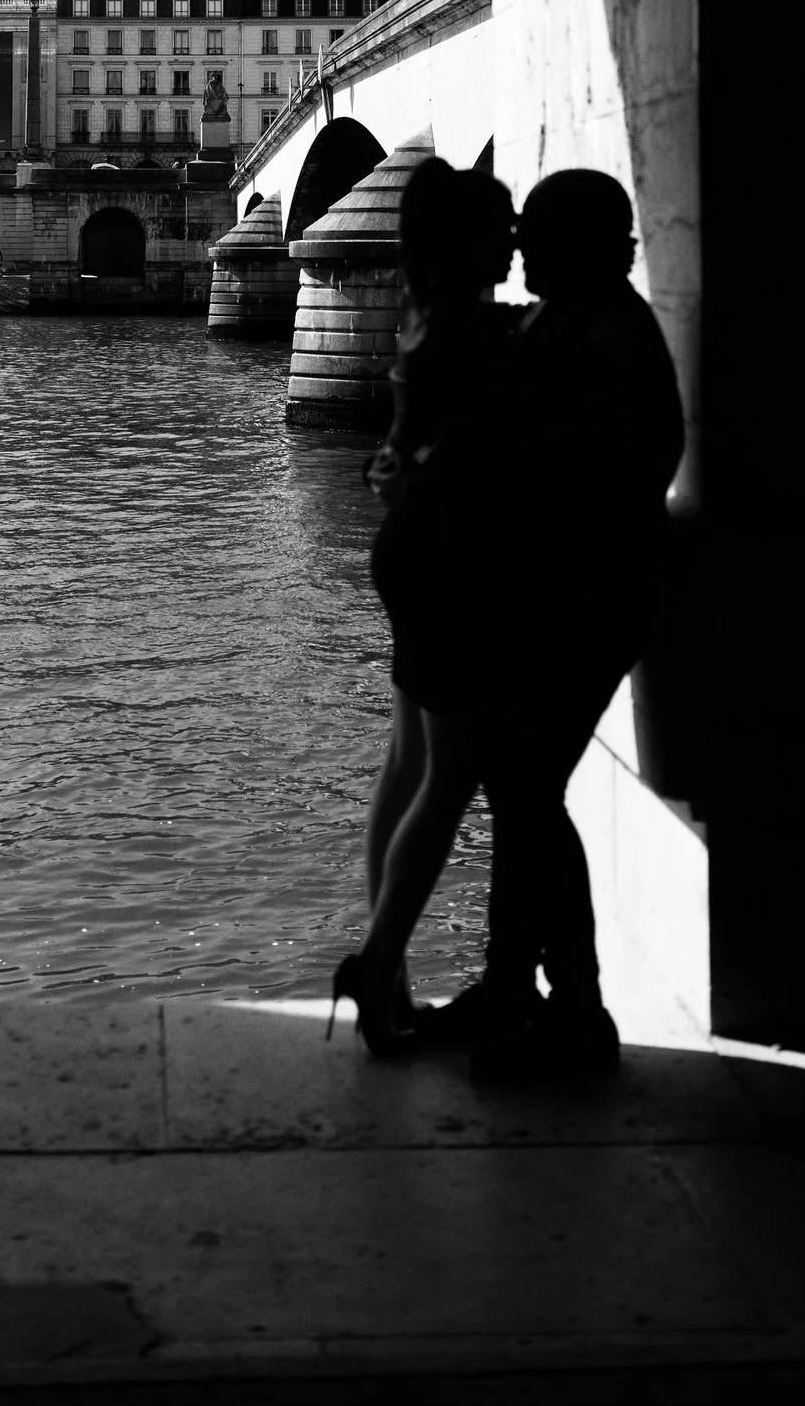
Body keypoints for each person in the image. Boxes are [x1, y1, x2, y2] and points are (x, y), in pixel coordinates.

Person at [333, 166, 684, 1076]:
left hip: (583, 606)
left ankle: (563, 1010)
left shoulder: (595, 341)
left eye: (535, 232)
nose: (520, 244)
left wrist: (417, 465)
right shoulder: (568, 322)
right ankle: (516, 990)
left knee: (510, 789)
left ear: (589, 249)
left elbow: (543, 472)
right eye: (513, 228)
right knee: (510, 790)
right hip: (539, 595)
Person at [336, 156, 522, 1048]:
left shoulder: (422, 316)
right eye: (504, 223)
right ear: (470, 242)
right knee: (449, 776)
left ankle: (388, 971)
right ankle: (377, 970)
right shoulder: (473, 333)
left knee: (407, 763)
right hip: (450, 561)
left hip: (409, 553)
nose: (517, 237)